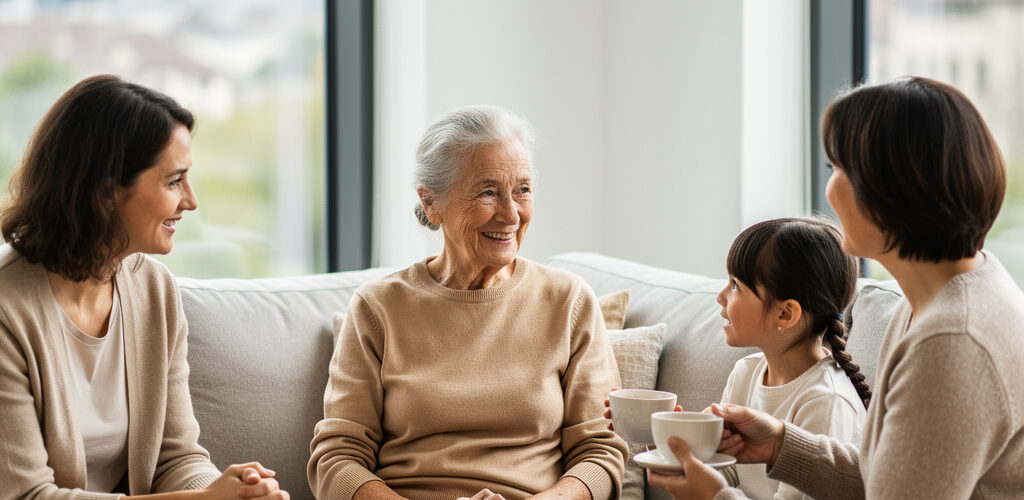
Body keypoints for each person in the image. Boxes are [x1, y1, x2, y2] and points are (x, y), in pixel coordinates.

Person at [650, 77, 1024, 499]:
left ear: (890, 190)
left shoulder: (952, 342)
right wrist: (782, 446)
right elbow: (891, 477)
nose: (830, 188)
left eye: (840, 169)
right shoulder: (935, 301)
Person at [308, 105, 627, 500]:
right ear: (431, 204)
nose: (511, 214)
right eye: (488, 192)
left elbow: (601, 451)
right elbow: (338, 458)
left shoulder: (568, 301)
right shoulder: (378, 308)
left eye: (522, 190)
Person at [0, 75, 287, 499]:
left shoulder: (155, 291)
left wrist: (234, 492)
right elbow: (28, 496)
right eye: (174, 181)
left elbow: (177, 458)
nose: (191, 201)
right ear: (106, 192)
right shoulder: (8, 312)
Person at [606, 218, 869, 500]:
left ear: (785, 314)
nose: (720, 296)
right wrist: (669, 444)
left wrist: (713, 495)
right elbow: (730, 472)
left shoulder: (825, 401)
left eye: (735, 285)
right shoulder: (746, 372)